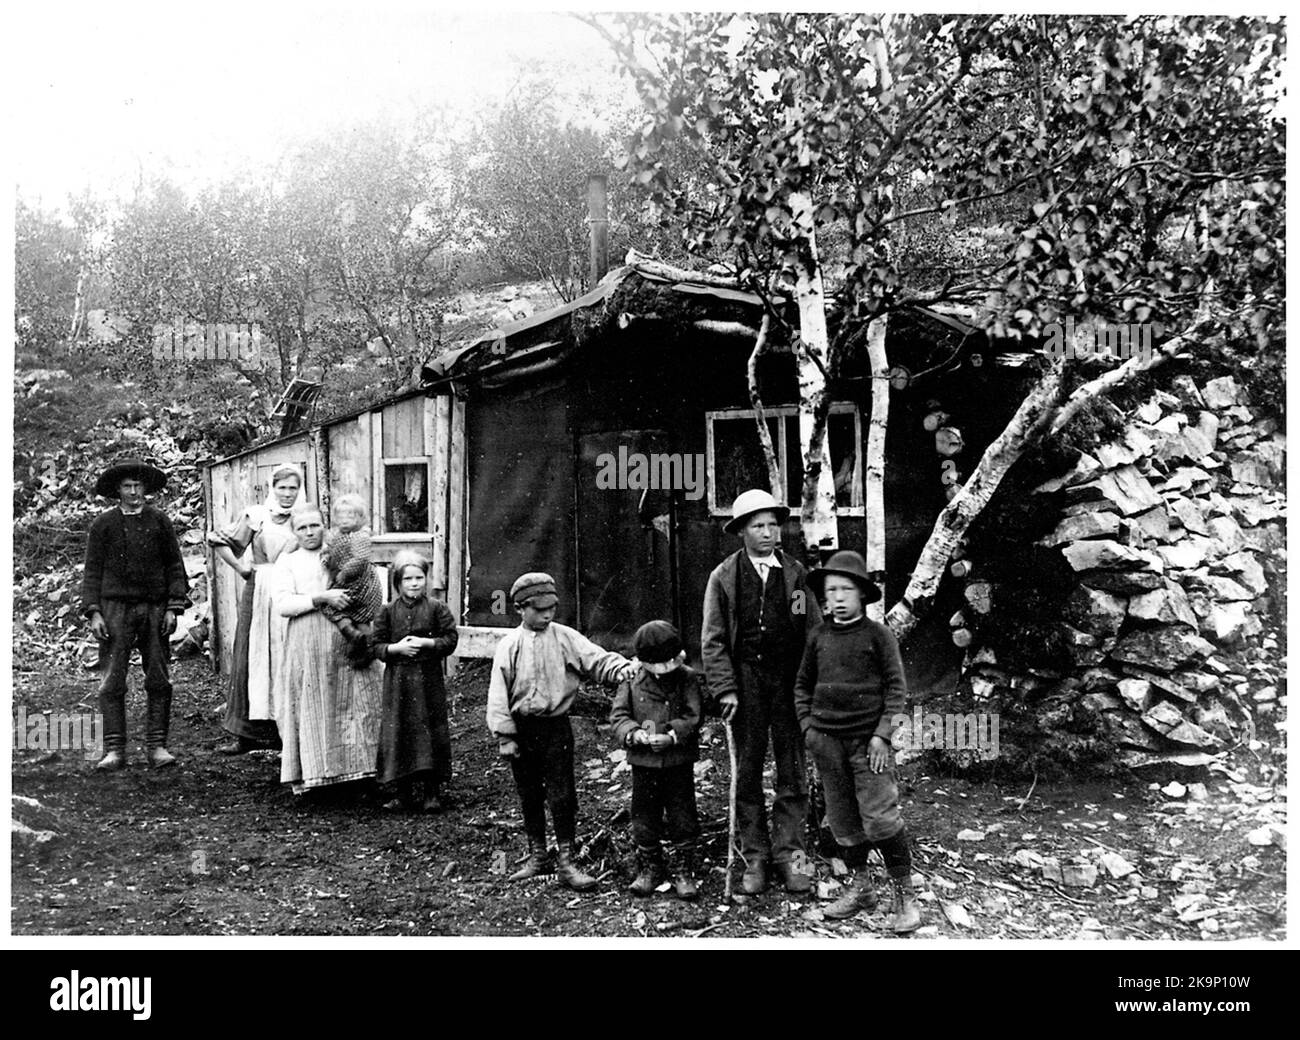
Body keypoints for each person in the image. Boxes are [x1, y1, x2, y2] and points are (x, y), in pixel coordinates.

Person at [701, 488, 821, 895]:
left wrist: (808, 685)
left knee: (793, 769)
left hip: (789, 684)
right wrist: (725, 689)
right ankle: (754, 856)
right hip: (746, 684)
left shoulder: (796, 576)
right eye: (758, 526)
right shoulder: (725, 578)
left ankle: (792, 856)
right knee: (747, 771)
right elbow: (714, 640)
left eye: (773, 524)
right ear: (741, 532)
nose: (768, 533)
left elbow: (809, 629)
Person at [486, 572, 635, 892]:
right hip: (522, 730)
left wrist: (625, 668)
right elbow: (498, 694)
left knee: (562, 794)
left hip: (556, 728)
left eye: (551, 607)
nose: (547, 614)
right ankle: (537, 856)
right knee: (529, 793)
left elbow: (598, 660)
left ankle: (567, 861)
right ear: (520, 609)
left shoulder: (566, 637)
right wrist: (505, 736)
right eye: (539, 609)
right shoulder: (509, 645)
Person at [796, 549, 920, 932]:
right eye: (830, 591)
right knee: (843, 821)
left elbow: (897, 690)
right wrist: (809, 730)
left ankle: (905, 897)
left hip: (869, 746)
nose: (836, 598)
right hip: (827, 743)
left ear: (862, 595)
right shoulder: (818, 637)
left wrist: (883, 735)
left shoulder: (878, 635)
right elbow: (802, 686)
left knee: (880, 819)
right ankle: (862, 887)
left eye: (845, 590)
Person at [81, 457, 190, 770]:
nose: (133, 492)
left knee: (159, 677)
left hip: (154, 608)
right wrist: (94, 612)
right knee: (112, 680)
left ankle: (157, 747)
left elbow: (174, 567)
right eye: (127, 486)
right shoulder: (103, 524)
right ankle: (115, 749)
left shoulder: (159, 521)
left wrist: (173, 606)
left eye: (138, 486)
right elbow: (92, 571)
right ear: (118, 490)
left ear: (146, 488)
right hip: (115, 609)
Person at [272, 506, 383, 795]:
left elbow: (366, 576)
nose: (310, 532)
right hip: (308, 639)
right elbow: (283, 605)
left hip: (345, 638)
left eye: (315, 525)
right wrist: (321, 597)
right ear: (294, 532)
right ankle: (317, 772)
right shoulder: (288, 561)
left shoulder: (339, 552)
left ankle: (360, 770)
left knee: (354, 701)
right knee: (315, 703)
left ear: (325, 525)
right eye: (303, 528)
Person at [207, 463, 303, 754]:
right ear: (272, 488)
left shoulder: (305, 517)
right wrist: (242, 568)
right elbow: (219, 541)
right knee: (251, 654)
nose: (287, 494)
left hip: (292, 589)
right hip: (260, 588)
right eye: (282, 487)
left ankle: (288, 733)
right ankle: (245, 734)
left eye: (293, 488)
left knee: (288, 654)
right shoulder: (256, 516)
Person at [608, 620, 702, 900]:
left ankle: (684, 869)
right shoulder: (631, 679)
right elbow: (618, 716)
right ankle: (650, 867)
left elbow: (694, 716)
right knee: (644, 814)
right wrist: (634, 735)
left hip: (677, 761)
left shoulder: (687, 677)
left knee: (682, 813)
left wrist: (673, 735)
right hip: (644, 763)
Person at [371, 551, 459, 812]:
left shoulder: (437, 608)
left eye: (419, 577)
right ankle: (402, 792)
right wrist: (395, 649)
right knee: (399, 731)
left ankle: (432, 793)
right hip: (398, 682)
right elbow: (375, 646)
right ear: (397, 582)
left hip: (427, 680)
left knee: (429, 732)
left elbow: (450, 640)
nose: (414, 583)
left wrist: (427, 643)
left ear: (426, 579)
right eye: (407, 579)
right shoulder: (386, 612)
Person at [317, 493, 383, 666]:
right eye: (340, 516)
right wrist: (326, 557)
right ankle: (360, 640)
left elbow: (360, 559)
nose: (344, 520)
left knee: (330, 605)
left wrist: (344, 573)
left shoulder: (360, 536)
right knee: (356, 615)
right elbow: (329, 550)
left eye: (350, 515)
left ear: (360, 517)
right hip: (351, 581)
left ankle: (359, 638)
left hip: (359, 582)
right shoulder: (337, 535)